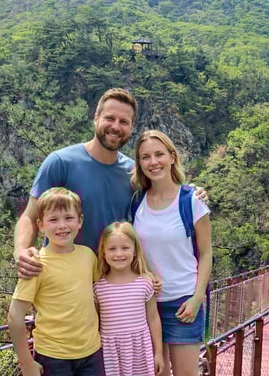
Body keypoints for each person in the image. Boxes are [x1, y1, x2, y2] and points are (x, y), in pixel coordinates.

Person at [14, 87, 208, 279]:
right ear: (96, 118)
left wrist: (193, 193)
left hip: (115, 285)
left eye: (123, 122)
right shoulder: (61, 163)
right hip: (64, 280)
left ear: (131, 127)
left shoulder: (134, 173)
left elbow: (164, 194)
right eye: (110, 118)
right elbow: (30, 216)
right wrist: (22, 252)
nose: (116, 126)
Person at [131, 130, 212, 376]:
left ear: (172, 157)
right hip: (146, 303)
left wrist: (197, 298)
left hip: (182, 301)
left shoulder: (191, 201)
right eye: (145, 157)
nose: (153, 162)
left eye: (159, 154)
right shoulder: (136, 202)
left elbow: (206, 253)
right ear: (139, 163)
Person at [8, 188, 101, 376]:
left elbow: (97, 295)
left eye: (69, 218)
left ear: (80, 221)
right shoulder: (36, 263)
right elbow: (15, 316)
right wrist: (27, 364)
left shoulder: (88, 256)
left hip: (92, 352)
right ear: (40, 225)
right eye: (53, 220)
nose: (62, 226)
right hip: (53, 356)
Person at [94, 222, 164, 376]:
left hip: (139, 350)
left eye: (125, 248)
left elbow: (153, 318)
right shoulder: (98, 287)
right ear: (103, 252)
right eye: (112, 249)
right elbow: (96, 322)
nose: (119, 254)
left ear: (135, 250)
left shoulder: (145, 283)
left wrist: (159, 352)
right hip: (110, 353)